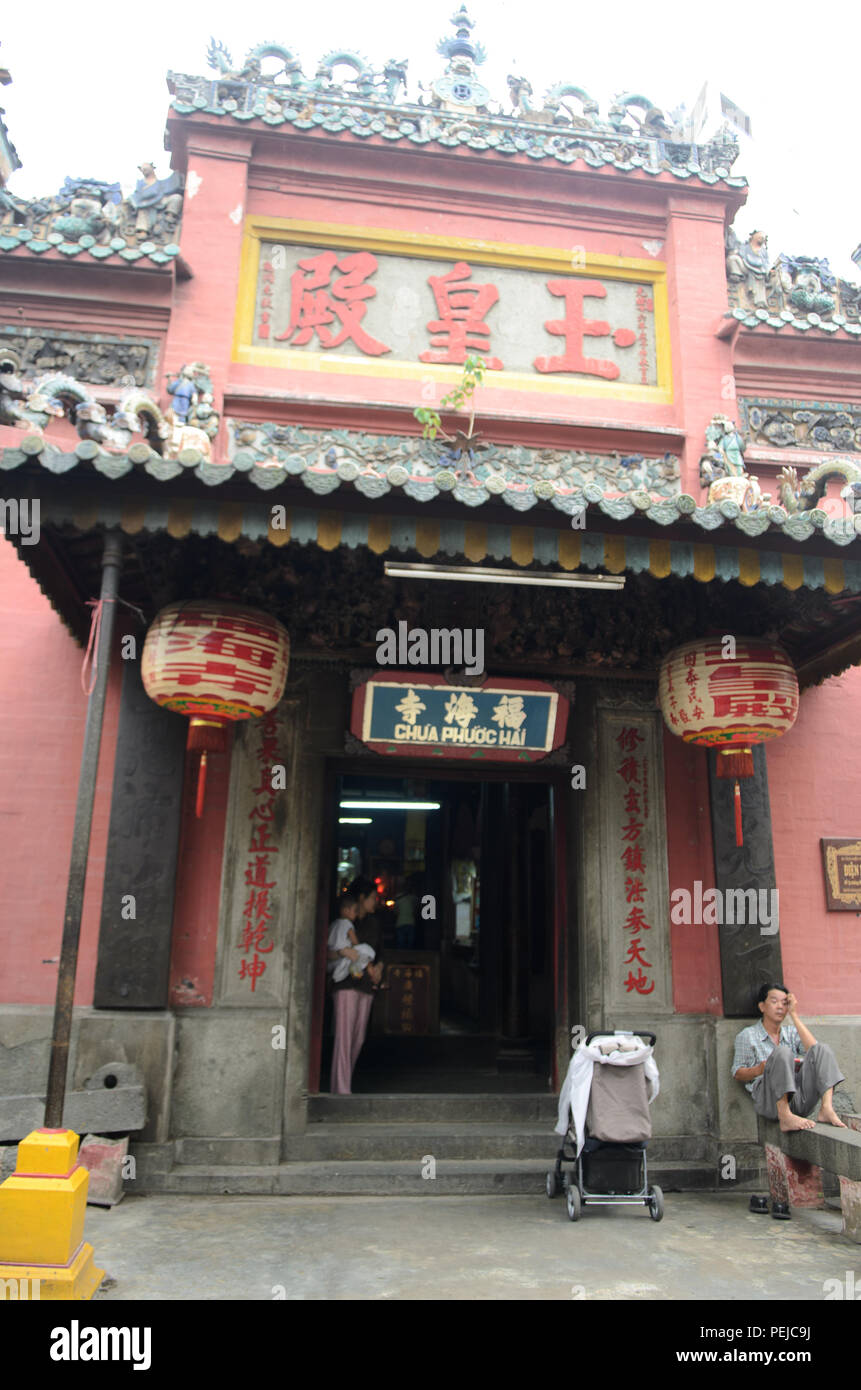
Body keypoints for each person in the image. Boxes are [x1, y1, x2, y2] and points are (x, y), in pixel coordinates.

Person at [732, 983, 847, 1133]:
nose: (780, 1007)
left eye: (784, 1003)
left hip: (798, 1097)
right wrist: (759, 1069)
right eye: (774, 1002)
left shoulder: (791, 1033)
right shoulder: (748, 1035)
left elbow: (815, 1052)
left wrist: (794, 1015)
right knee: (782, 1052)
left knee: (822, 1049)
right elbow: (737, 1073)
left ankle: (826, 1108)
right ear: (762, 1006)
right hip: (770, 1102)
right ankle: (785, 1115)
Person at [328, 879, 382, 1095]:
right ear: (361, 898)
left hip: (366, 986)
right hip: (346, 985)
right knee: (344, 1037)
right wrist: (343, 952)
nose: (376, 902)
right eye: (372, 898)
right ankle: (341, 1090)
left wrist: (379, 968)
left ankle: (344, 1082)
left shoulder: (374, 923)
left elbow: (381, 952)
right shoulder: (342, 922)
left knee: (357, 1038)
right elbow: (326, 951)